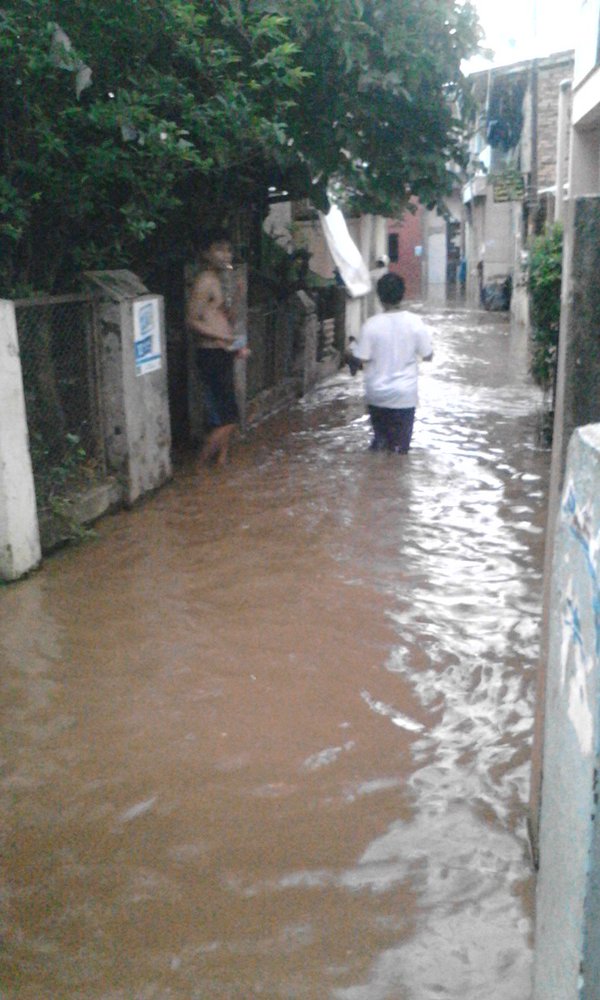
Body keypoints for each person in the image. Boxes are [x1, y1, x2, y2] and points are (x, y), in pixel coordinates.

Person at [351, 272, 433, 454]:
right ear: (402, 295)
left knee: (380, 444)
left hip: (377, 395)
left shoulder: (371, 325)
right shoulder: (415, 323)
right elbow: (428, 355)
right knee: (400, 451)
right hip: (404, 397)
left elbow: (360, 359)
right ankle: (394, 478)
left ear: (379, 297)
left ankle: (376, 476)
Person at [185, 229, 248, 465]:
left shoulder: (219, 281)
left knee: (226, 413)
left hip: (222, 352)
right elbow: (192, 321)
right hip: (211, 353)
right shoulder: (204, 281)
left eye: (229, 250)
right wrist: (222, 338)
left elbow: (227, 319)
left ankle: (220, 463)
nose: (226, 255)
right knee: (229, 417)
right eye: (219, 249)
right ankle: (199, 467)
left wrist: (239, 296)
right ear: (206, 253)